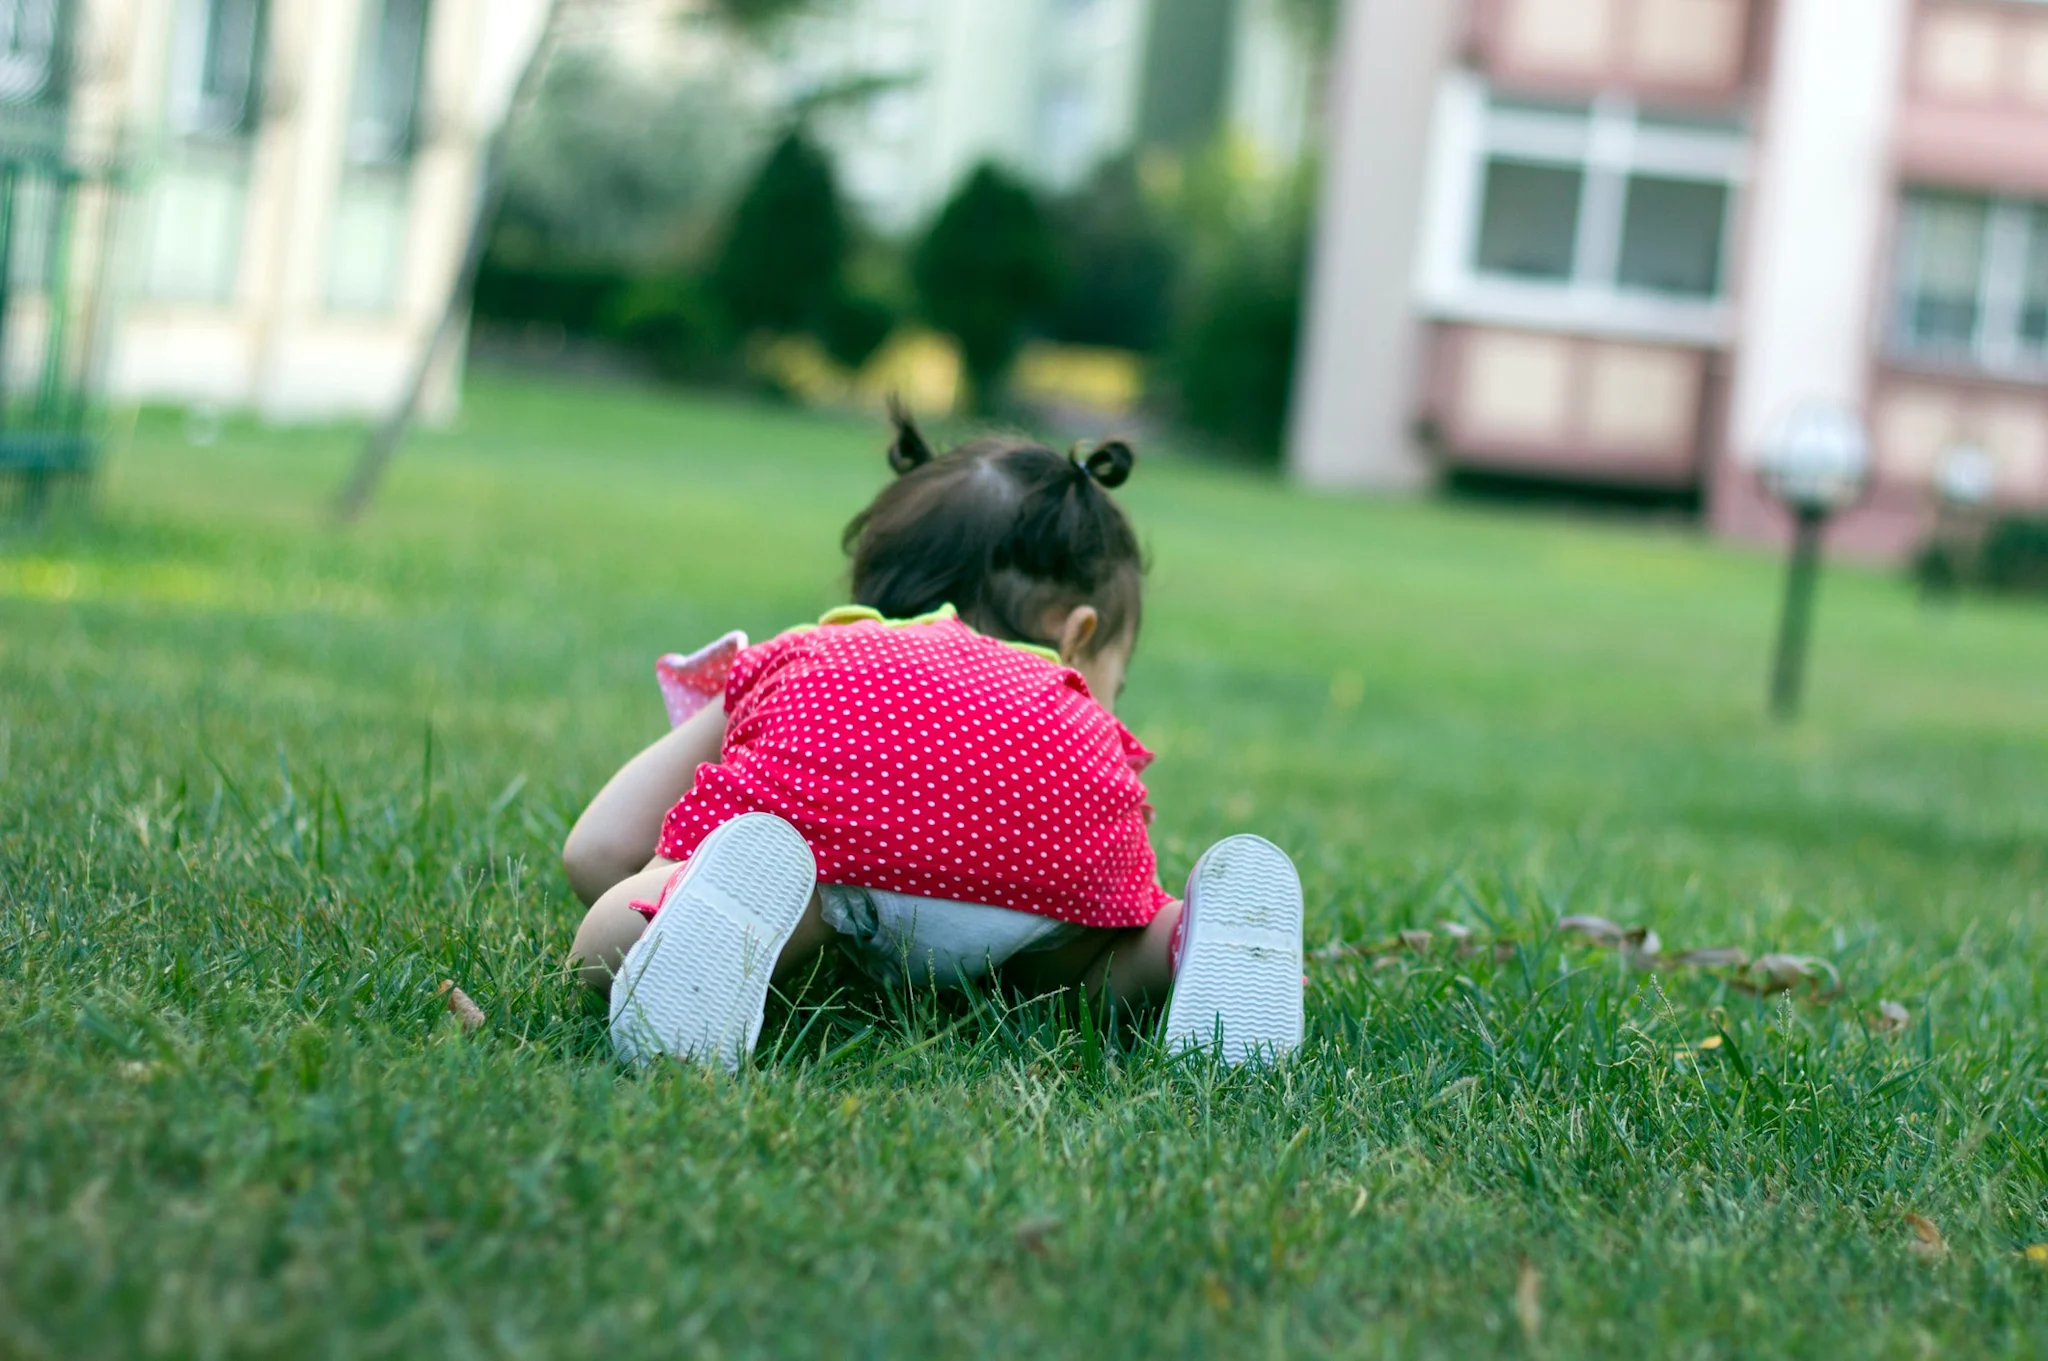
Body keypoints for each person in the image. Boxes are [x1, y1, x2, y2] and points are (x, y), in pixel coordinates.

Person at [562, 405, 1303, 1071]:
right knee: (1083, 964)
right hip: (1041, 870)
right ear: (1077, 634)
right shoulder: (1060, 698)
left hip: (835, 863)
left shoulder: (816, 652)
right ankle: (1183, 941)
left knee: (628, 931)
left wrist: (657, 872)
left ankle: (726, 906)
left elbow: (597, 850)